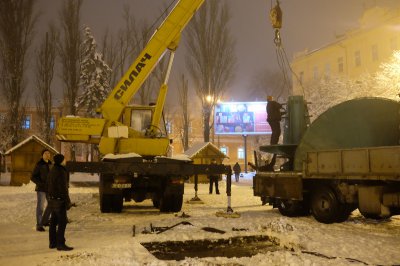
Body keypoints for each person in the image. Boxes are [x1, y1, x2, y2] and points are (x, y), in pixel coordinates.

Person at [47, 153, 73, 251]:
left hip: (53, 199)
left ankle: (52, 243)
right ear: (61, 161)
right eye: (64, 159)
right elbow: (63, 188)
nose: (65, 161)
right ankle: (60, 244)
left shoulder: (52, 169)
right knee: (62, 222)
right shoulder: (61, 171)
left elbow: (47, 184)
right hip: (60, 200)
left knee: (53, 221)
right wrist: (67, 201)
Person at [31, 149, 52, 232]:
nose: (47, 155)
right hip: (41, 189)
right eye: (45, 153)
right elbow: (33, 177)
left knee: (51, 205)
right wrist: (40, 183)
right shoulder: (39, 164)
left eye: (48, 153)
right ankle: (39, 225)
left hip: (49, 189)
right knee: (40, 207)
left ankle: (45, 220)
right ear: (42, 155)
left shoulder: (51, 164)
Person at [266, 96, 285, 170]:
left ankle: (274, 142)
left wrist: (282, 113)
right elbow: (278, 106)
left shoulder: (269, 105)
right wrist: (281, 106)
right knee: (276, 131)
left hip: (272, 119)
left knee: (276, 131)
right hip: (274, 120)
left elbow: (275, 113)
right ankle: (273, 142)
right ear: (271, 99)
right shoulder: (272, 103)